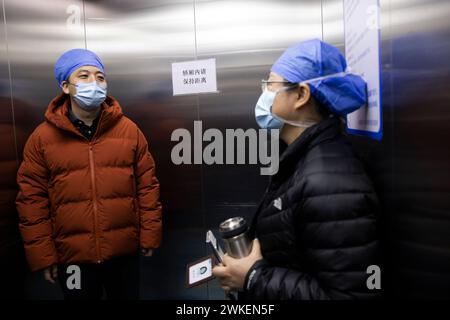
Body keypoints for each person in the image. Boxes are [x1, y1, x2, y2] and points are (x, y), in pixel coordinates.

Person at [213, 39, 381, 299]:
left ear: (301, 95)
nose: (264, 92)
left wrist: (255, 277)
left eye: (271, 83)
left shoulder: (329, 182)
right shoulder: (302, 157)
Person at [16, 48, 162, 300]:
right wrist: (43, 254)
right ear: (65, 86)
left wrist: (149, 235)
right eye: (83, 76)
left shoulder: (128, 130)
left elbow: (147, 187)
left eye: (100, 77)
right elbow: (32, 200)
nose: (94, 83)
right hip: (72, 258)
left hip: (123, 252)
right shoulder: (42, 138)